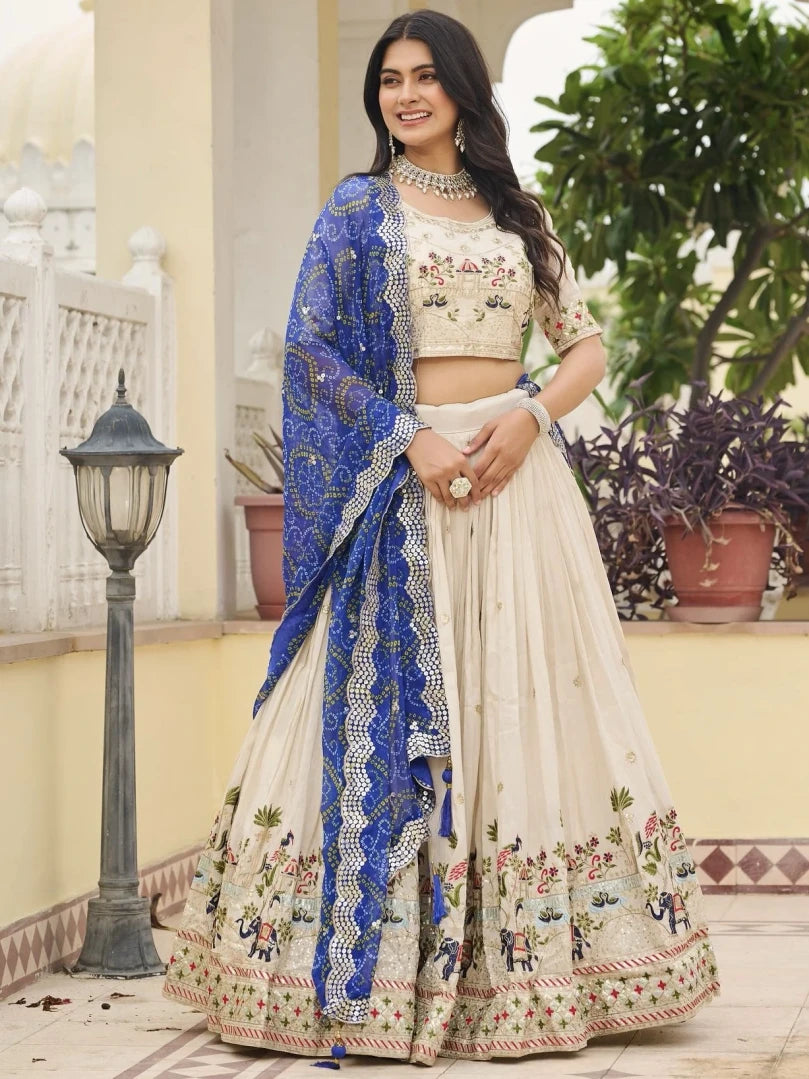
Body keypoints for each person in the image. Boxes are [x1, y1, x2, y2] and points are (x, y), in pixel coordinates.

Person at [164, 9, 720, 1065]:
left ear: (463, 87)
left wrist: (529, 416)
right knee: (386, 711)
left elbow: (583, 347)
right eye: (388, 79)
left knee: (519, 702)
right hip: (404, 483)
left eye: (425, 76)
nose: (406, 95)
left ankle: (532, 969)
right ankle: (353, 968)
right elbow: (312, 351)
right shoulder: (357, 210)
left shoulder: (520, 214)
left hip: (514, 485)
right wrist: (402, 436)